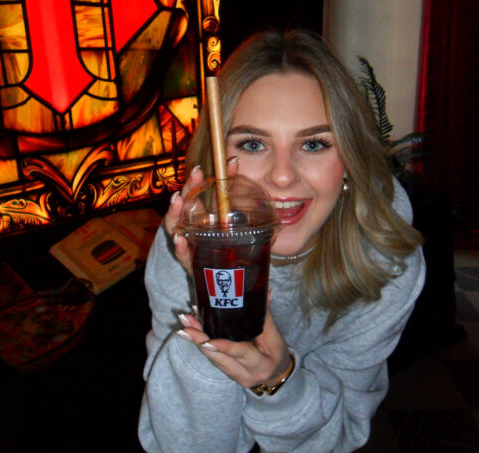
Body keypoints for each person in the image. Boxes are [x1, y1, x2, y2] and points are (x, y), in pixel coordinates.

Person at [138, 29, 425, 453]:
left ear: (349, 159)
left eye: (314, 143)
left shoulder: (384, 256)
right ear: (216, 162)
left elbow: (341, 436)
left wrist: (276, 380)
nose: (283, 176)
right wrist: (213, 305)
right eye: (253, 144)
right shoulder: (188, 244)